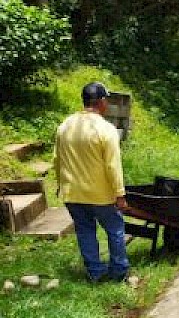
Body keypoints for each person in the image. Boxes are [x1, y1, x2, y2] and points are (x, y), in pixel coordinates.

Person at [53, 82, 129, 282]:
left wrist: (60, 184)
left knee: (85, 230)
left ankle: (95, 272)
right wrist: (120, 194)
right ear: (102, 102)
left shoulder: (65, 126)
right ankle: (119, 271)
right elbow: (113, 166)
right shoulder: (106, 129)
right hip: (100, 195)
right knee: (115, 229)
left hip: (73, 194)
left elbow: (57, 160)